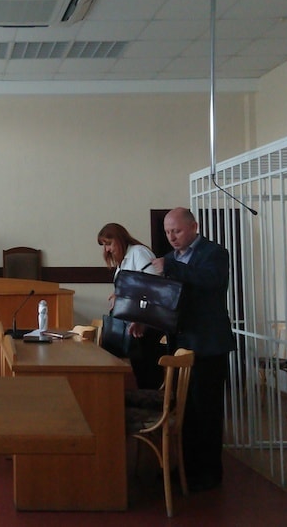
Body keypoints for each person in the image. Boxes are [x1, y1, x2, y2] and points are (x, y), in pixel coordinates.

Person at [147, 207, 234, 492]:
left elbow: (211, 280)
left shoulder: (214, 253)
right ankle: (185, 467)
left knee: (206, 410)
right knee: (185, 411)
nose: (171, 237)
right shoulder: (171, 258)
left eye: (177, 231)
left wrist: (171, 268)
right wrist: (144, 321)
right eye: (167, 232)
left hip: (208, 344)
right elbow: (167, 300)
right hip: (181, 344)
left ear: (194, 227)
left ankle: (209, 473)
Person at [97, 222, 167, 390]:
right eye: (104, 245)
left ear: (120, 239)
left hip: (146, 323)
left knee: (147, 373)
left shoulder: (138, 253)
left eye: (109, 243)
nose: (107, 249)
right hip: (134, 324)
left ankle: (152, 402)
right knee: (139, 372)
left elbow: (154, 287)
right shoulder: (122, 262)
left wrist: (125, 296)